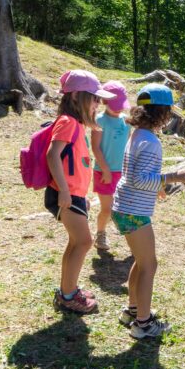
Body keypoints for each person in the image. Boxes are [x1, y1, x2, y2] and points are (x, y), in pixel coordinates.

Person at [112, 83, 185, 339]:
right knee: (149, 264)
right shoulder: (151, 142)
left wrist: (156, 183)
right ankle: (143, 324)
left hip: (124, 206)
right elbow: (139, 178)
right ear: (162, 113)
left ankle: (133, 310)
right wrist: (171, 177)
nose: (170, 117)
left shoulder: (137, 133)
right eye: (169, 112)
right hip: (134, 210)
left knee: (141, 261)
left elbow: (137, 174)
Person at [46, 70, 116, 314]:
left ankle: (68, 290)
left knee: (77, 242)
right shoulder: (67, 122)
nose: (98, 103)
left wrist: (79, 194)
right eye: (94, 98)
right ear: (76, 96)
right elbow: (52, 155)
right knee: (84, 241)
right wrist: (65, 191)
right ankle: (68, 296)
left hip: (73, 194)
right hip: (66, 195)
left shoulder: (75, 125)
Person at [90, 81, 130, 252]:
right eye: (115, 105)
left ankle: (133, 238)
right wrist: (105, 169)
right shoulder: (100, 120)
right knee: (107, 209)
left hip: (122, 172)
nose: (119, 109)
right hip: (103, 172)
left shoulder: (127, 121)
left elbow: (128, 146)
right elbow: (95, 147)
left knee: (123, 207)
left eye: (121, 105)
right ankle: (100, 233)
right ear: (104, 101)